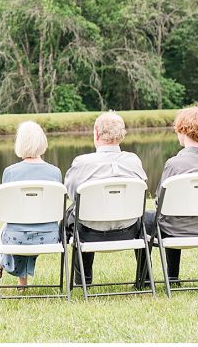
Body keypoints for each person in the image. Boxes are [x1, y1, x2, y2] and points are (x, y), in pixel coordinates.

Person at [138, 105, 198, 285]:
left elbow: (160, 202)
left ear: (183, 130)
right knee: (170, 215)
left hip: (173, 228)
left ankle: (149, 279)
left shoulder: (174, 164)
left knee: (144, 220)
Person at [63, 111, 147, 287]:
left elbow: (71, 194)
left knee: (76, 215)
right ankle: (144, 278)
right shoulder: (134, 161)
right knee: (145, 219)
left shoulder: (82, 163)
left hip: (90, 230)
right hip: (129, 228)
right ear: (122, 135)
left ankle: (83, 281)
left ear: (96, 133)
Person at [0, 121, 62, 287]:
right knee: (23, 227)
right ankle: (21, 282)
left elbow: (6, 209)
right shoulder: (55, 173)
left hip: (16, 237)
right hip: (50, 237)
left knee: (13, 228)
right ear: (43, 143)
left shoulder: (10, 173)